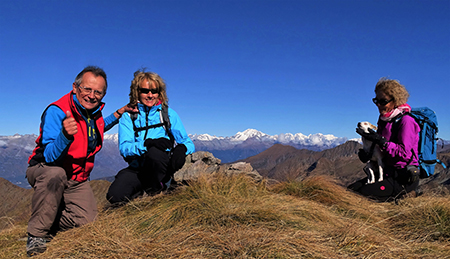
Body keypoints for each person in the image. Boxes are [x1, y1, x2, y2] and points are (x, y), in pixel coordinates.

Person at [25, 66, 137, 256]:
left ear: (103, 95)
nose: (92, 95)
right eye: (87, 89)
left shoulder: (92, 113)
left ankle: (48, 217)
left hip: (76, 177)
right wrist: (65, 136)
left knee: (87, 221)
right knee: (55, 174)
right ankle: (36, 235)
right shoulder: (57, 111)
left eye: (98, 92)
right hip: (45, 169)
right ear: (75, 87)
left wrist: (120, 113)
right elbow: (50, 156)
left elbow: (99, 127)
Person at [106, 70, 195, 204]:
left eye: (154, 91)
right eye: (145, 91)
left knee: (155, 154)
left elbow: (188, 142)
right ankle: (143, 190)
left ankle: (158, 186)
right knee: (115, 196)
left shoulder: (168, 114)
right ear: (137, 92)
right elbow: (125, 148)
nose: (150, 95)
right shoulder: (129, 116)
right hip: (138, 168)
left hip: (161, 167)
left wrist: (182, 149)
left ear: (160, 93)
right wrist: (147, 144)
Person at [348, 78, 421, 202]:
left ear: (396, 100)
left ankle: (407, 193)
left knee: (361, 195)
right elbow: (381, 149)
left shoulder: (406, 121)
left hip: (402, 177)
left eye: (383, 101)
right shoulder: (383, 120)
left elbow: (404, 154)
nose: (378, 105)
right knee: (351, 189)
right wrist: (369, 154)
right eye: (376, 100)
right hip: (386, 172)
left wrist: (381, 141)